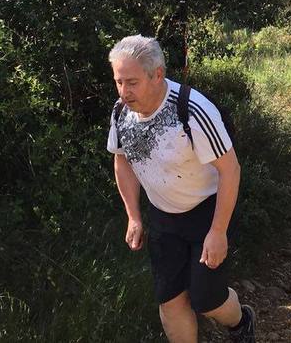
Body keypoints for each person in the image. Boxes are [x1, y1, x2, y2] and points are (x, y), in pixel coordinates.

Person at [106, 35, 257, 343]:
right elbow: (122, 162)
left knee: (206, 300)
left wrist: (218, 232)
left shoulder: (192, 110)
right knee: (170, 299)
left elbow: (230, 170)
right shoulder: (121, 113)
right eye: (119, 82)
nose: (124, 92)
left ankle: (242, 322)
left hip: (207, 212)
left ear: (157, 74)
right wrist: (134, 216)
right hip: (163, 217)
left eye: (131, 82)